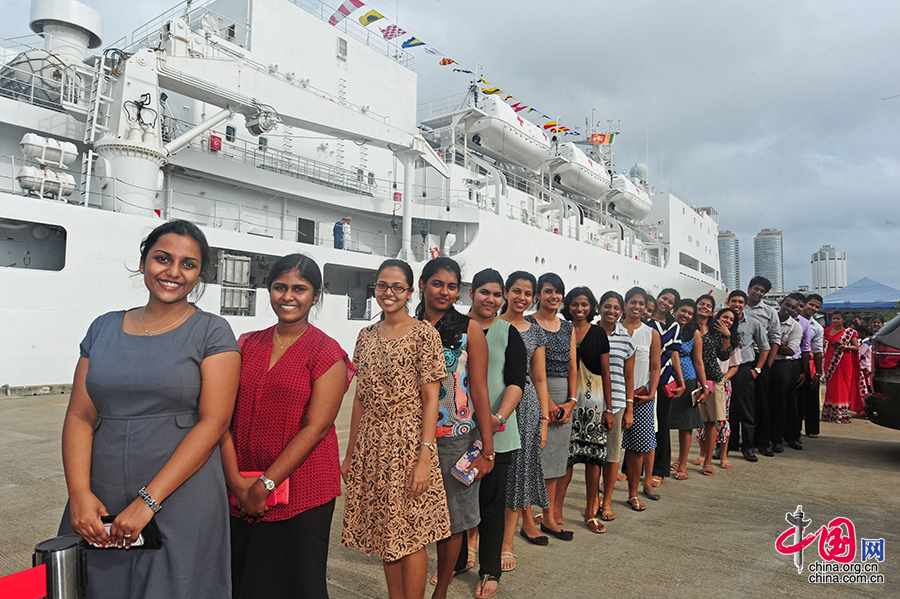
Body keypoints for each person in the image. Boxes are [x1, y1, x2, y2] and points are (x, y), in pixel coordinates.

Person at [59, 220, 241, 599]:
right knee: (97, 586)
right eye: (162, 258)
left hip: (180, 494)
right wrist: (79, 493)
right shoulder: (102, 328)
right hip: (100, 493)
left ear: (199, 276)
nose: (173, 272)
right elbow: (80, 415)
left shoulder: (212, 331)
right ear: (143, 263)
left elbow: (214, 422)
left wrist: (148, 502)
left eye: (188, 264)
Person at [220, 254, 354, 599]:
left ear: (316, 295)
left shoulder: (327, 353)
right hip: (241, 489)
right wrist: (236, 483)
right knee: (244, 582)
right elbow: (222, 417)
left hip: (305, 494)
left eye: (299, 288)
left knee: (298, 585)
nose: (288, 296)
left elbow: (316, 428)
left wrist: (264, 485)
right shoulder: (246, 344)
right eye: (280, 287)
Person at [341, 259, 450, 599]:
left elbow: (431, 399)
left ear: (410, 291)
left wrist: (424, 457)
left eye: (397, 287)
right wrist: (350, 454)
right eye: (382, 286)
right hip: (372, 445)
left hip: (409, 443)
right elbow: (360, 398)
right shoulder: (365, 336)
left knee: (411, 534)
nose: (389, 293)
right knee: (386, 533)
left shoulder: (424, 334)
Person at [415, 257, 495, 599]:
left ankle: (442, 591)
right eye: (437, 284)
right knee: (412, 515)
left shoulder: (469, 329)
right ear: (422, 285)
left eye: (451, 286)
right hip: (409, 437)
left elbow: (480, 389)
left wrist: (487, 447)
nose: (444, 292)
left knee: (453, 519)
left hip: (455, 438)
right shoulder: (406, 326)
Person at [458, 269, 527, 598]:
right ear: (472, 292)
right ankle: (457, 561)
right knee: (455, 502)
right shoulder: (454, 327)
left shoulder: (508, 333)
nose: (491, 299)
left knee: (491, 504)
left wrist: (498, 418)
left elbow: (516, 382)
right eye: (484, 292)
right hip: (455, 430)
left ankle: (489, 569)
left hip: (498, 432)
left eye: (497, 294)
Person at [499, 271, 551, 557]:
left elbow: (540, 378)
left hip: (527, 407)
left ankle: (507, 544)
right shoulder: (491, 324)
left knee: (518, 474)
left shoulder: (535, 331)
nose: (521, 297)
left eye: (527, 293)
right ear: (506, 292)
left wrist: (543, 421)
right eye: (516, 291)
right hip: (494, 401)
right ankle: (473, 542)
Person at [526, 273, 577, 540]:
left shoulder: (567, 327)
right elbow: (529, 367)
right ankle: (527, 521)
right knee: (530, 458)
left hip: (564, 396)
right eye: (548, 291)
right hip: (534, 392)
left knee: (556, 461)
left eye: (558, 292)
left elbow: (573, 366)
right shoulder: (528, 323)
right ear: (538, 294)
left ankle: (548, 516)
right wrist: (547, 401)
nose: (553, 296)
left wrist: (572, 401)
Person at [558, 287, 612, 534]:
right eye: (575, 304)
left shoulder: (599, 333)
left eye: (584, 304)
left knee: (594, 459)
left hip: (594, 402)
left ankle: (591, 511)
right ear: (568, 305)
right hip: (566, 400)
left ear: (591, 307)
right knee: (564, 458)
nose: (579, 309)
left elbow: (606, 372)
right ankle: (555, 511)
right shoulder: (562, 329)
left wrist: (609, 409)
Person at [595, 291, 636, 522]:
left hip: (618, 403)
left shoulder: (626, 339)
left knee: (611, 455)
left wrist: (629, 408)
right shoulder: (589, 333)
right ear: (600, 307)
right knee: (591, 456)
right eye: (607, 306)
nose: (611, 311)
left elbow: (629, 376)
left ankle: (607, 501)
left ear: (621, 311)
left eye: (616, 308)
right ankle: (593, 500)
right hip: (590, 401)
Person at [620, 287, 661, 510]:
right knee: (609, 446)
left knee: (637, 448)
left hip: (641, 397)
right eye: (633, 302)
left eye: (641, 303)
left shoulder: (651, 333)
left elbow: (655, 367)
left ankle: (633, 493)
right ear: (626, 303)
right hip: (615, 396)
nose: (637, 307)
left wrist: (652, 392)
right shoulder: (613, 329)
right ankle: (603, 490)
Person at [726, 290, 770, 462]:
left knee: (746, 410)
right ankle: (727, 445)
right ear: (728, 302)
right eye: (734, 301)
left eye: (740, 302)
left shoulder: (753, 323)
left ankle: (748, 447)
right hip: (724, 371)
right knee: (726, 411)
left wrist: (757, 370)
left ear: (745, 305)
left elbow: (764, 347)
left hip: (744, 369)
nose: (737, 304)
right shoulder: (720, 322)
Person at [693, 297, 735, 476]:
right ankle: (681, 461)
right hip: (690, 378)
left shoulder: (715, 330)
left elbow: (723, 356)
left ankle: (708, 461)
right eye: (702, 304)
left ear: (712, 311)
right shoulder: (688, 326)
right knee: (687, 421)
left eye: (708, 306)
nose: (704, 307)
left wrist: (727, 335)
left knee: (711, 422)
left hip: (713, 379)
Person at [648, 288, 685, 488]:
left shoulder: (674, 326)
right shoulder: (645, 320)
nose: (665, 303)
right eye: (664, 298)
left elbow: (674, 355)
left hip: (664, 378)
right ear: (658, 297)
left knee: (662, 425)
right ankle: (629, 469)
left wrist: (680, 380)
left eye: (670, 302)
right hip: (643, 377)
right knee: (637, 423)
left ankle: (659, 470)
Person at [668, 299, 708, 480]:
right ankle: (662, 461)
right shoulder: (666, 328)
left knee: (686, 425)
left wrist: (704, 386)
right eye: (683, 311)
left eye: (690, 313)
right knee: (663, 423)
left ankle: (682, 463)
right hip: (666, 379)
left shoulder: (694, 333)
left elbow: (698, 361)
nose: (685, 315)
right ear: (675, 310)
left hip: (688, 380)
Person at [743, 277, 780, 457]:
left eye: (762, 291)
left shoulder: (769, 312)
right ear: (749, 288)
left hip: (760, 358)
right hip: (740, 358)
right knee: (742, 402)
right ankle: (742, 441)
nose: (758, 293)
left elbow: (775, 339)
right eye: (756, 289)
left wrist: (767, 365)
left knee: (762, 402)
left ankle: (763, 442)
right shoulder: (738, 307)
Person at [767, 296, 802, 454]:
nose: (789, 309)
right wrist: (779, 343)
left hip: (782, 366)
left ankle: (777, 439)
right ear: (780, 304)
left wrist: (770, 343)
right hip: (763, 362)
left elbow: (791, 350)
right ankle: (760, 437)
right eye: (787, 305)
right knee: (762, 402)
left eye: (793, 307)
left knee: (780, 403)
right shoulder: (768, 318)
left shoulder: (796, 327)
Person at [821, 312, 860, 424]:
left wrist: (845, 346)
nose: (836, 320)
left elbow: (856, 347)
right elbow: (823, 343)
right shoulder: (827, 330)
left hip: (844, 360)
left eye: (838, 318)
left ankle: (841, 413)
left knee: (843, 385)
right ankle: (829, 413)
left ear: (843, 320)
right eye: (834, 318)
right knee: (831, 386)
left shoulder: (850, 332)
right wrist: (824, 343)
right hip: (830, 358)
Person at [798, 295, 825, 437]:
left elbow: (818, 351)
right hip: (791, 361)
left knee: (812, 395)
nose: (813, 308)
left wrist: (818, 373)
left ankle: (812, 429)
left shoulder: (817, 327)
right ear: (804, 303)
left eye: (817, 307)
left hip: (807, 364)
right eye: (811, 304)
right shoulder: (792, 319)